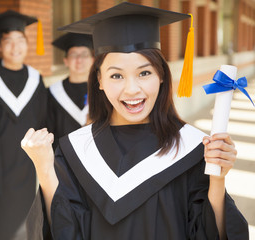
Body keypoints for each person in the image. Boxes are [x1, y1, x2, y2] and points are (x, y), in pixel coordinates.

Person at [21, 3, 249, 240]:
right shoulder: (76, 151)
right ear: (99, 80)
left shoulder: (190, 148)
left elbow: (212, 233)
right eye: (116, 75)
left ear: (161, 75)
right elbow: (62, 232)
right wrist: (45, 170)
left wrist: (218, 179)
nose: (131, 89)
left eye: (144, 73)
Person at [0, 10, 48, 240]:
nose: (15, 47)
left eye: (20, 41)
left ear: (27, 44)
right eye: (8, 41)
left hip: (25, 169)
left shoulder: (36, 79)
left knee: (25, 224)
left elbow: (43, 121)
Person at [48, 33, 94, 148]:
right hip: (62, 158)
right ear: (66, 61)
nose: (79, 60)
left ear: (93, 60)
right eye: (74, 55)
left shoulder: (104, 90)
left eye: (84, 55)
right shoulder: (52, 92)